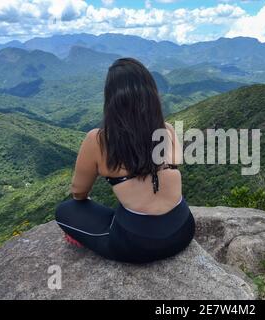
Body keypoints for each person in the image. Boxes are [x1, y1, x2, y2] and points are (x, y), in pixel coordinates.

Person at [55, 58, 195, 264]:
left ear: (111, 99)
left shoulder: (99, 140)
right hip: (183, 230)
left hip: (137, 244)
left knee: (65, 210)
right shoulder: (168, 130)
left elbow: (78, 192)